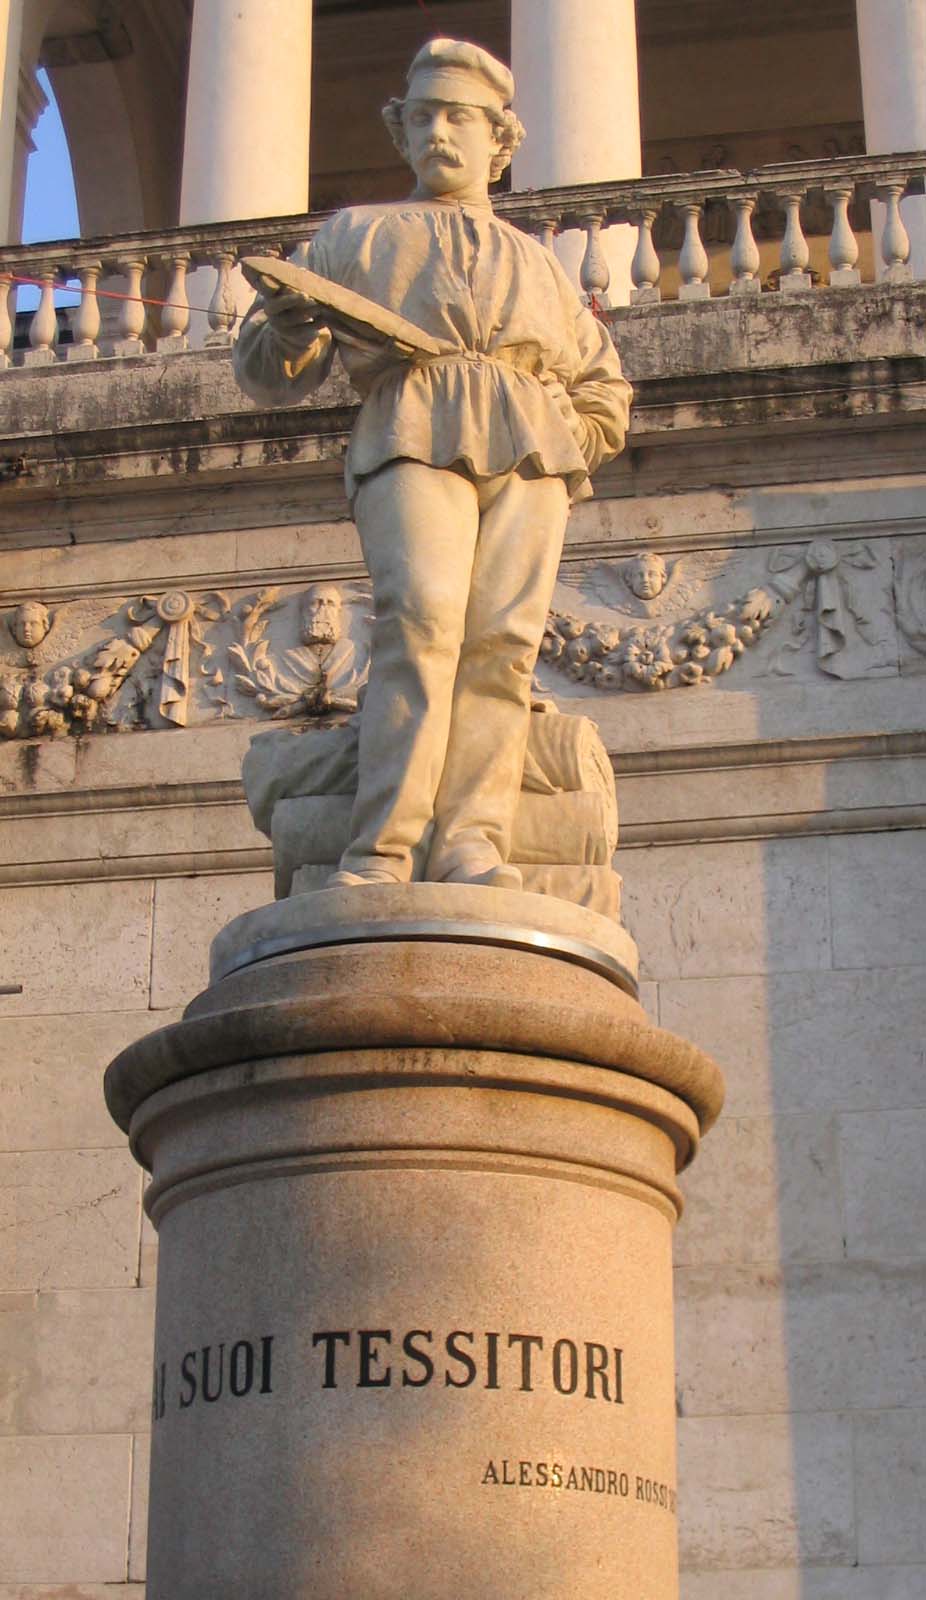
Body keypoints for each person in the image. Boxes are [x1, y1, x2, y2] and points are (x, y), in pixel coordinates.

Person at [234, 37, 631, 888]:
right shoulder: (358, 236)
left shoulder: (541, 266)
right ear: (399, 130)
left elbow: (605, 388)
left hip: (530, 449)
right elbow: (269, 372)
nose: (438, 133)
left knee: (504, 642)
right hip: (410, 423)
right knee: (421, 617)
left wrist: (575, 430)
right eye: (422, 116)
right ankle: (383, 847)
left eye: (458, 116)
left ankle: (470, 842)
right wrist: (293, 326)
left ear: (500, 140)